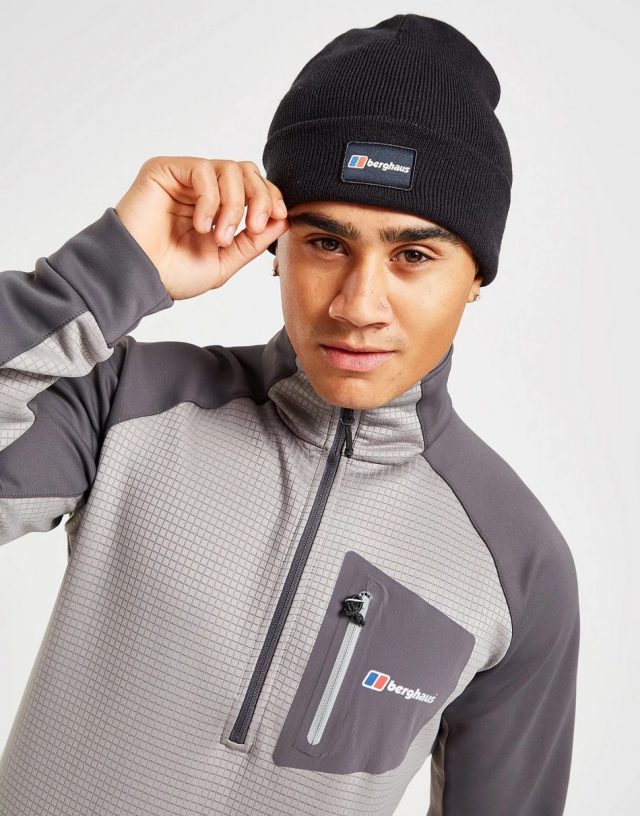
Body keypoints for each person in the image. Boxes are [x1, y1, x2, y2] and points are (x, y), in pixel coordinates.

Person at [0, 13, 580, 816]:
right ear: (275, 244)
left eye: (413, 256)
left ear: (475, 275)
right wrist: (102, 276)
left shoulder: (517, 565)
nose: (357, 306)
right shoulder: (124, 404)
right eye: (326, 244)